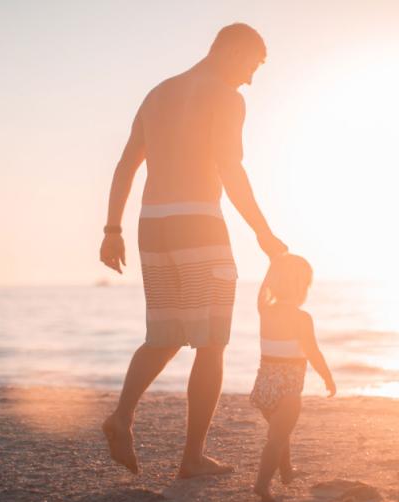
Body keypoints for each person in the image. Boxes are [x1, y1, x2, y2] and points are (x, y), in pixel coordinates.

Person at [99, 23, 288, 478]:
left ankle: (121, 416)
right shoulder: (226, 98)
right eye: (251, 65)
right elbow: (231, 169)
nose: (250, 79)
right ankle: (192, 459)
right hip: (199, 225)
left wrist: (111, 229)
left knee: (163, 336)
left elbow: (127, 163)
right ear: (233, 51)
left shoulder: (158, 93)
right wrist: (263, 233)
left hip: (152, 226)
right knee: (211, 342)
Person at [250, 254, 335, 502]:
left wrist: (272, 264)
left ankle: (286, 472)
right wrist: (327, 378)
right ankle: (262, 484)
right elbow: (313, 352)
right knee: (277, 438)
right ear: (302, 289)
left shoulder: (265, 311)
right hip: (288, 388)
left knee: (280, 431)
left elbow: (262, 290)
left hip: (264, 386)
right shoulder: (302, 318)